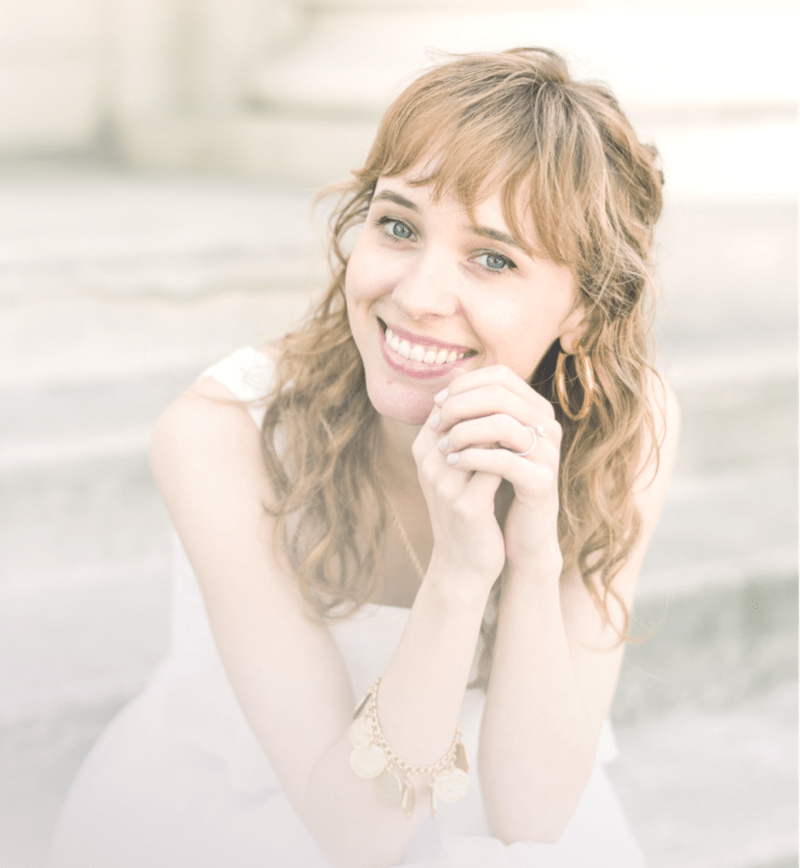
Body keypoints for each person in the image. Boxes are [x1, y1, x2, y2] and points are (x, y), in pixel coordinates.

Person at [48, 47, 678, 868]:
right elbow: (357, 833)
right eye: (399, 226)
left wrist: (532, 555)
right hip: (256, 810)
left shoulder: (622, 429)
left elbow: (533, 814)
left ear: (585, 312)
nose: (417, 296)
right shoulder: (221, 435)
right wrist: (459, 574)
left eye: (493, 258)